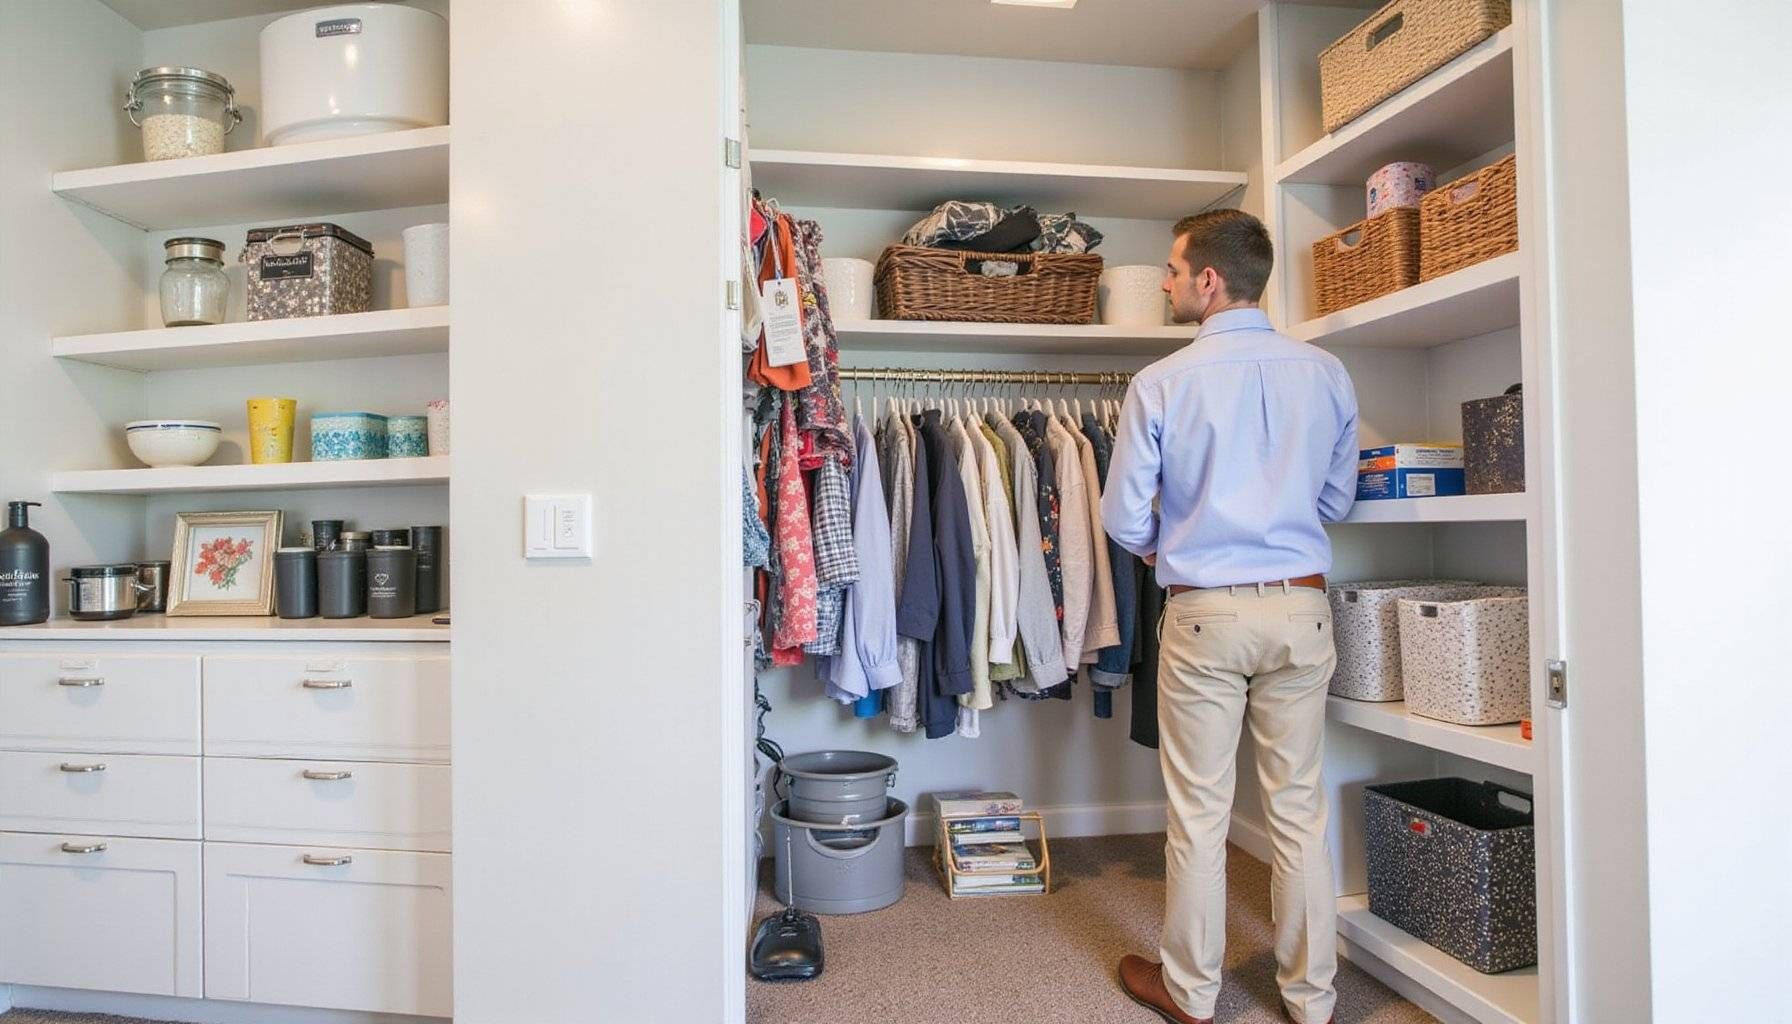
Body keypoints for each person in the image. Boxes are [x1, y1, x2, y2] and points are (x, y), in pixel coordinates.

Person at [1101, 209, 1359, 1024]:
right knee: (1298, 810)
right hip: (1302, 606)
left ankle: (1191, 991)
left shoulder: (1162, 382)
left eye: (1174, 272)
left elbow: (1121, 516)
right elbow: (1337, 499)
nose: (1170, 283)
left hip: (1205, 612)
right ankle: (1313, 1001)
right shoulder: (1326, 374)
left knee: (1200, 812)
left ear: (1209, 281)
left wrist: (1160, 546)